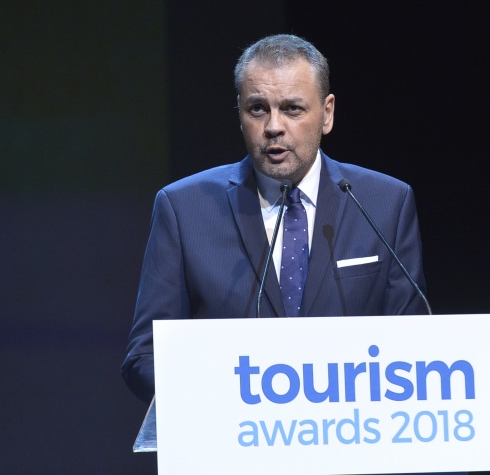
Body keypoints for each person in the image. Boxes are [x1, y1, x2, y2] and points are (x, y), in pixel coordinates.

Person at [121, 34, 428, 404]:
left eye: (292, 109)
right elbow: (145, 357)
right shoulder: (184, 209)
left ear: (327, 113)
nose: (273, 127)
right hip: (235, 435)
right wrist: (226, 401)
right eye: (257, 109)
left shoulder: (385, 203)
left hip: (350, 432)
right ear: (239, 113)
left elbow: (416, 349)